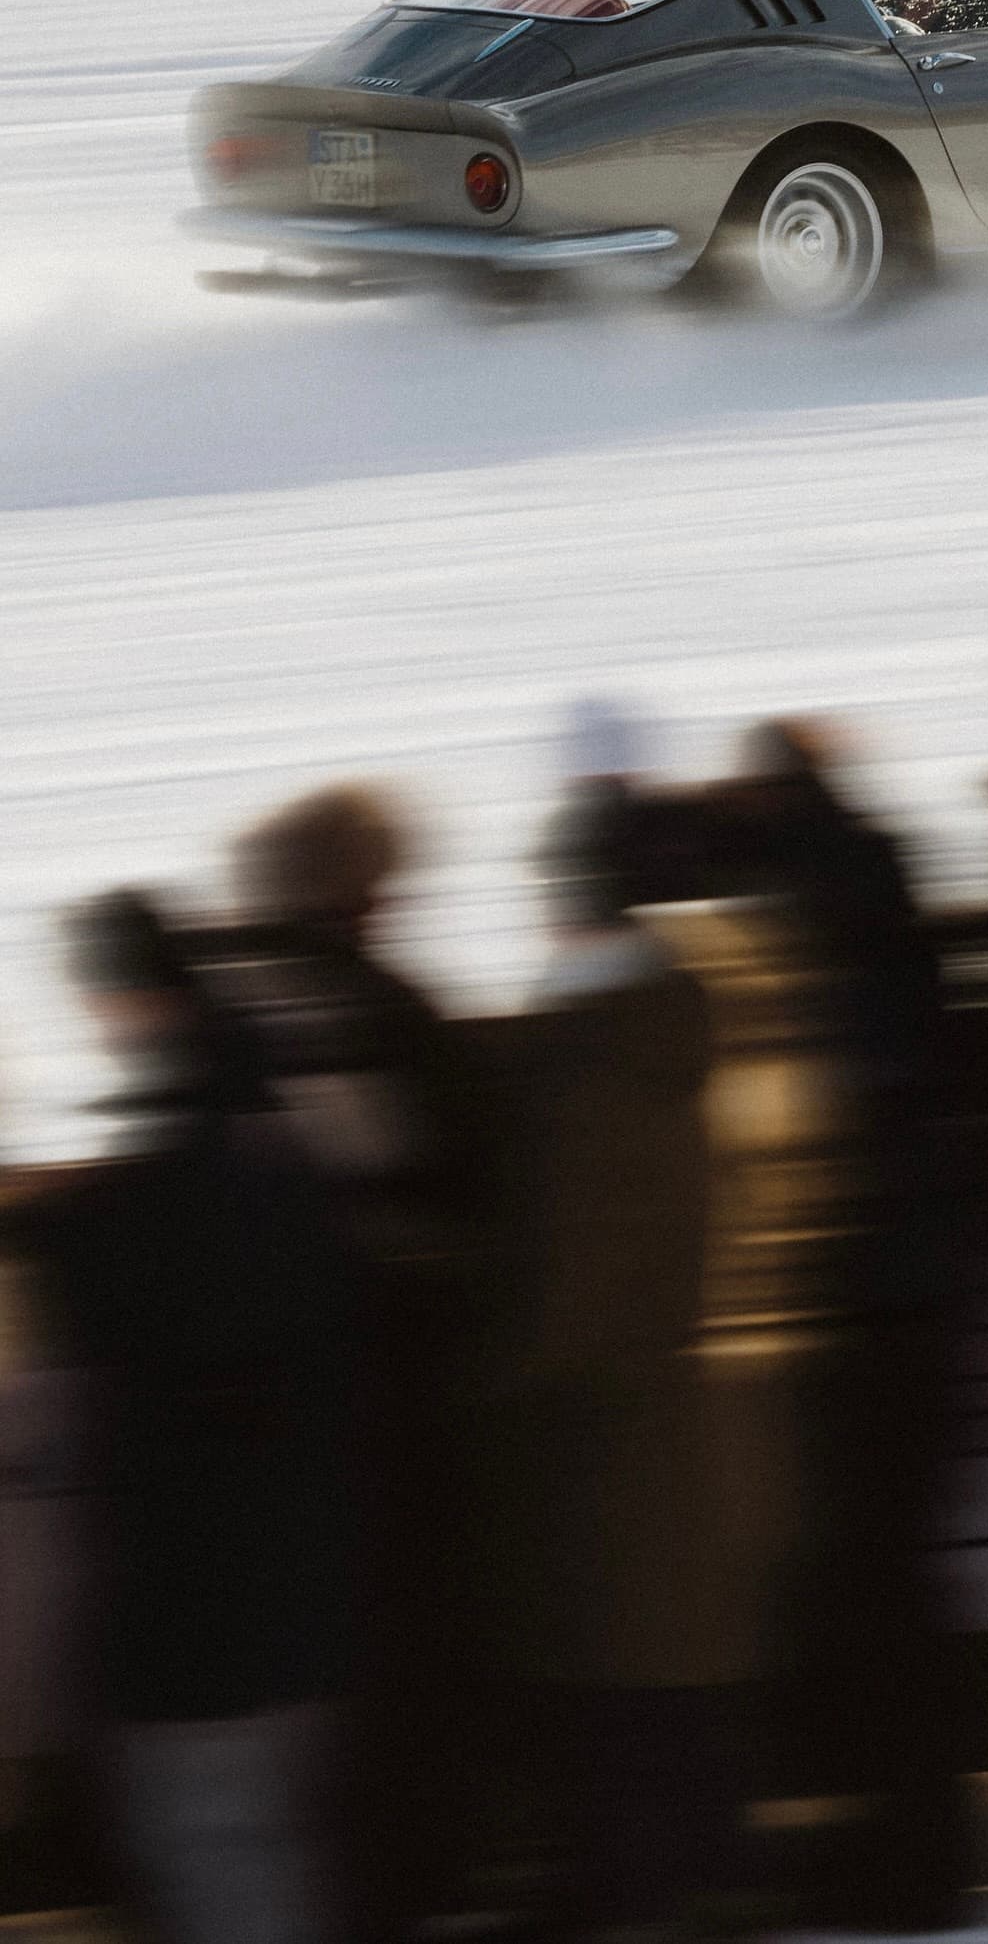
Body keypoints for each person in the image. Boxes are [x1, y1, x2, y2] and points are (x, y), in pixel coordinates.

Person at [4, 892, 356, 1944]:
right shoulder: (278, 1148)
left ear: (123, 1003)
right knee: (261, 1854)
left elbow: (112, 1279)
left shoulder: (152, 1206)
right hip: (297, 1597)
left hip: (191, 1612)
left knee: (211, 1857)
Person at [195, 787, 479, 1942]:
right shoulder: (391, 1011)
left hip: (284, 1417)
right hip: (398, 1398)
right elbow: (451, 1199)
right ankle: (409, 1896)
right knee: (408, 1678)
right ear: (360, 892)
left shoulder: (235, 1022)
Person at [468, 785, 739, 1940]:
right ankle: (672, 1885)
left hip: (590, 1427)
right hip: (659, 1401)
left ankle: (627, 1897)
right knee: (659, 1676)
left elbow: (570, 1273)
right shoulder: (662, 1037)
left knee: (612, 1683)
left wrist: (487, 1380)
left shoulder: (587, 1071)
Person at [724, 718, 978, 1933]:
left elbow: (826, 1113)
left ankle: (910, 1853)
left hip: (869, 1299)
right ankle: (920, 1842)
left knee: (869, 1581)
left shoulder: (812, 922)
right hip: (924, 1289)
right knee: (900, 1580)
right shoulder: (882, 882)